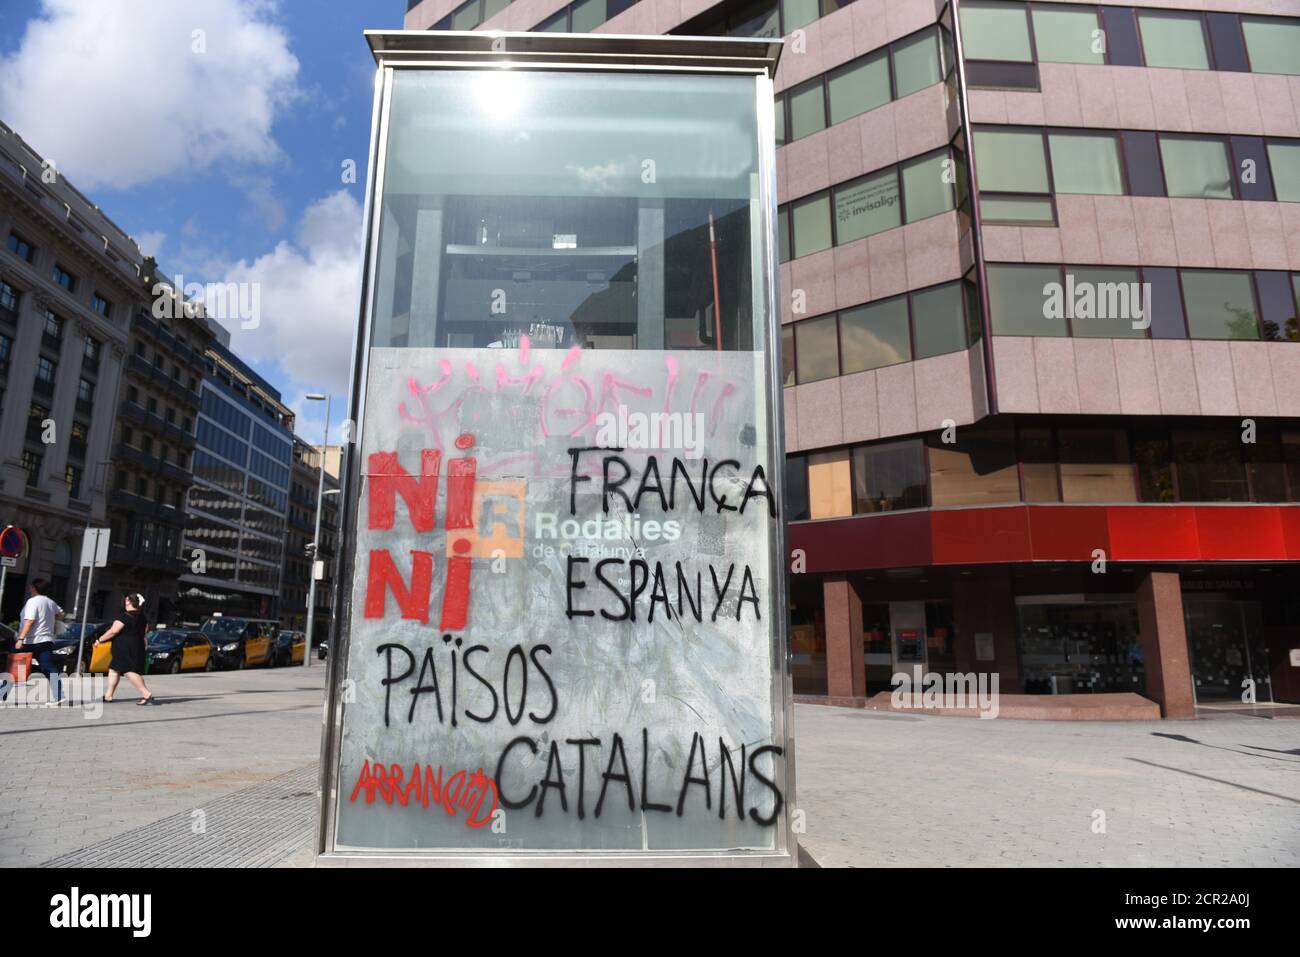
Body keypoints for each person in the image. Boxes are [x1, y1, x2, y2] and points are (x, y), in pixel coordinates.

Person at [91, 592, 156, 705]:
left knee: (128, 671)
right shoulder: (142, 617)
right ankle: (108, 695)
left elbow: (113, 631)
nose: (124, 601)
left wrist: (99, 640)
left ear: (129, 602)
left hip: (124, 647)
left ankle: (146, 694)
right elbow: (145, 630)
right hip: (137, 645)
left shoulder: (124, 616)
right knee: (114, 669)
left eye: (126, 600)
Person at [16, 579, 65, 704]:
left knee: (14, 667)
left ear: (33, 588)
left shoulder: (32, 602)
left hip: (29, 640)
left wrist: (20, 638)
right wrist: (50, 622)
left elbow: (30, 621)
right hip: (46, 640)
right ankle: (59, 695)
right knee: (48, 668)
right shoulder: (50, 602)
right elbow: (61, 614)